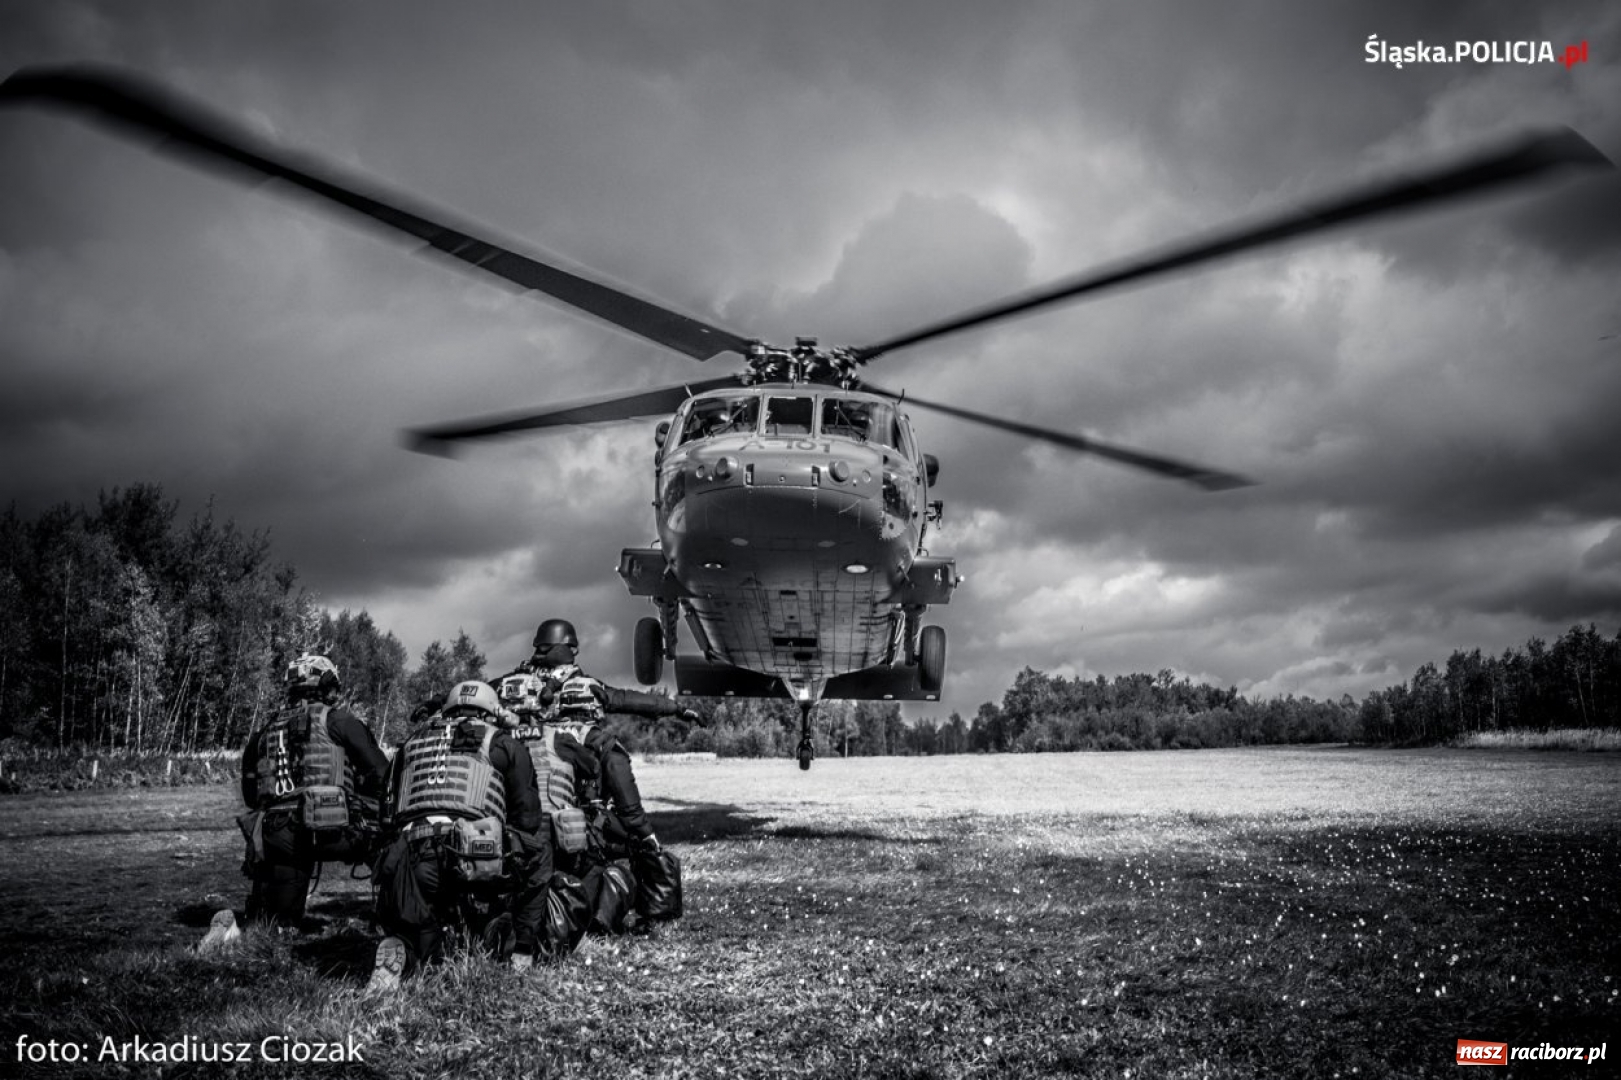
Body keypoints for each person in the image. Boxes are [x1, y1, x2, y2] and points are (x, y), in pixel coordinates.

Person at [367, 679, 564, 990]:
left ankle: (402, 946)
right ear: (490, 711)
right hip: (473, 855)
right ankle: (522, 950)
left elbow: (386, 814)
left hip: (411, 857)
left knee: (426, 947)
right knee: (539, 852)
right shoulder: (502, 743)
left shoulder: (410, 744)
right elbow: (528, 818)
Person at [503, 619, 696, 927]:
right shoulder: (595, 739)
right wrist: (676, 709)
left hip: (515, 831)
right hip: (576, 832)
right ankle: (620, 914)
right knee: (633, 844)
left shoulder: (509, 724)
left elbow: (465, 698)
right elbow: (630, 700)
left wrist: (431, 704)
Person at [202, 654, 390, 951]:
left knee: (276, 926)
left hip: (277, 835)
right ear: (326, 685)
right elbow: (382, 774)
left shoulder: (266, 730)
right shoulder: (339, 720)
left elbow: (251, 795)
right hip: (331, 831)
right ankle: (391, 917)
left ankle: (234, 933)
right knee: (392, 841)